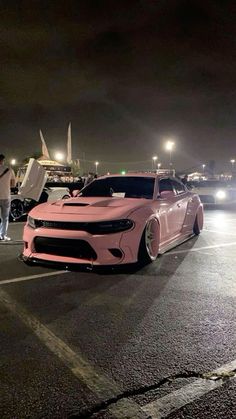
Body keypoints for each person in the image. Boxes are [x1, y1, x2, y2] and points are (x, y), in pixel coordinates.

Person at [0, 154, 16, 241]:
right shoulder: (9, 169)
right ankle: (2, 235)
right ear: (3, 160)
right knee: (5, 218)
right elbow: (13, 184)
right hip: (5, 196)